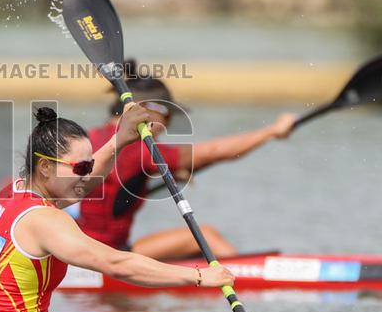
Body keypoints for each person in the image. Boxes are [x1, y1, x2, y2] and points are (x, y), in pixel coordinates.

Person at [0, 106, 236, 312]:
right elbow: (116, 263)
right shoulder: (43, 220)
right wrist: (199, 276)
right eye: (81, 168)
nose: (88, 175)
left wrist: (121, 139)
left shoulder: (13, 192)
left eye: (88, 166)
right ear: (46, 167)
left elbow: (88, 180)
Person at [76, 61, 296, 260]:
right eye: (168, 116)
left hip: (86, 249)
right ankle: (243, 278)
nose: (168, 125)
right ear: (149, 110)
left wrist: (177, 169)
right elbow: (214, 151)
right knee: (207, 236)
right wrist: (272, 131)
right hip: (107, 256)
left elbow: (121, 180)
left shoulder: (91, 137)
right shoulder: (137, 149)